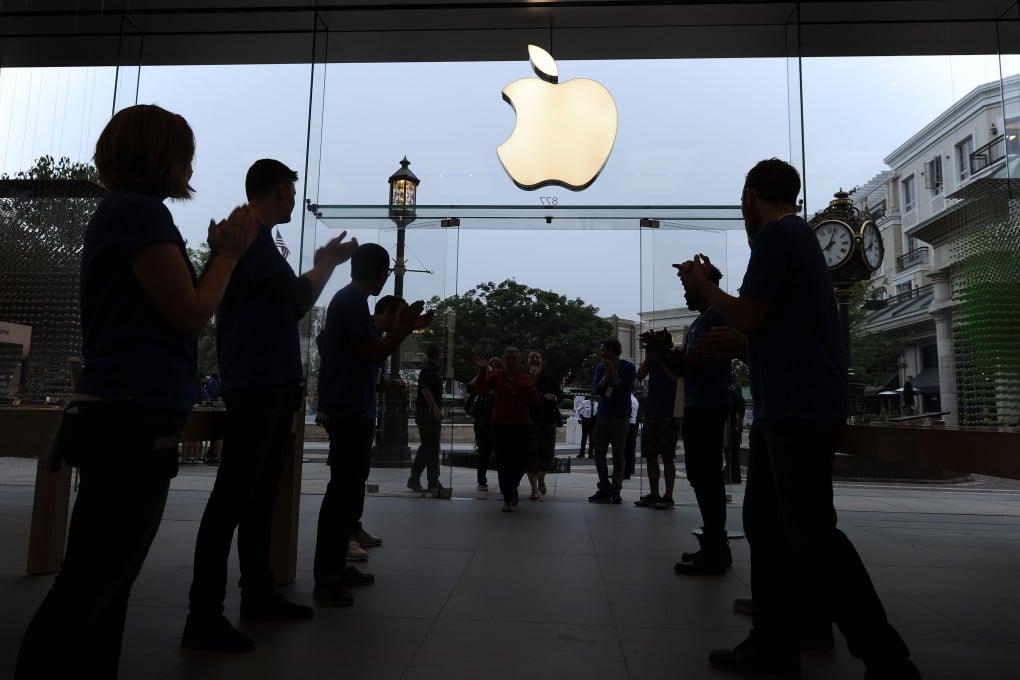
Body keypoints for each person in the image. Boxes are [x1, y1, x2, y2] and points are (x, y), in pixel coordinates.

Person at [16, 104, 258, 679]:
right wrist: (227, 256)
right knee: (91, 590)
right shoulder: (141, 215)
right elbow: (190, 312)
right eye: (186, 153)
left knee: (104, 586)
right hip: (132, 420)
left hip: (115, 417)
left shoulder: (120, 213)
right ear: (166, 157)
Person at [678, 158, 921, 679]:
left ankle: (886, 658)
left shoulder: (778, 237)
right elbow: (781, 330)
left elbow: (748, 312)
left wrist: (703, 285)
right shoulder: (799, 239)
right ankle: (778, 636)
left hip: (795, 408)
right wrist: (744, 345)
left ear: (750, 196)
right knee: (767, 525)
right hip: (791, 405)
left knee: (811, 532)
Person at [183, 159, 358, 653]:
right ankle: (205, 613)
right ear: (281, 189)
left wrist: (320, 265)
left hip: (268, 383)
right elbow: (299, 299)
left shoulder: (255, 239)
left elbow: (289, 296)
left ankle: (254, 594)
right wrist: (327, 262)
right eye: (292, 192)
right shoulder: (252, 235)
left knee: (256, 497)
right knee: (236, 498)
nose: (294, 200)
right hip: (259, 384)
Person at [312, 243, 433, 606]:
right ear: (382, 271)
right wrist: (405, 329)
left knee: (346, 494)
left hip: (353, 409)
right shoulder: (350, 302)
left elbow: (361, 357)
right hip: (349, 412)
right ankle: (328, 576)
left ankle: (336, 568)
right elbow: (373, 353)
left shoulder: (351, 302)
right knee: (341, 495)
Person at [648, 262, 733, 575]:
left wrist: (668, 349)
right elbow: (687, 368)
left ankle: (715, 549)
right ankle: (714, 545)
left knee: (706, 476)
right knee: (701, 475)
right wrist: (665, 352)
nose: (684, 292)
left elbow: (704, 365)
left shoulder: (716, 318)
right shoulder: (703, 321)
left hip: (709, 405)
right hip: (700, 404)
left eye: (687, 285)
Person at [345, 294, 407, 561]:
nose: (401, 322)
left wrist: (388, 385)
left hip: (363, 410)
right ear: (388, 311)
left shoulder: (375, 334)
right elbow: (371, 357)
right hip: (350, 410)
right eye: (401, 317)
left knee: (357, 476)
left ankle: (353, 528)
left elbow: (372, 374)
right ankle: (344, 537)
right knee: (347, 479)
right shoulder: (367, 334)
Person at [471, 347, 540, 512]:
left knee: (521, 461)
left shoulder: (525, 378)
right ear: (504, 361)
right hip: (500, 424)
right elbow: (481, 390)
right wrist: (482, 370)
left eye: (514, 359)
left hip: (521, 425)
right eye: (508, 358)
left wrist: (532, 385)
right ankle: (508, 498)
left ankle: (512, 488)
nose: (511, 361)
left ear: (519, 361)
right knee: (502, 462)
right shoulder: (496, 377)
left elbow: (536, 402)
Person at [632, 329, 681, 510]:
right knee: (650, 455)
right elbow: (639, 376)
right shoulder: (652, 359)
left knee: (667, 456)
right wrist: (649, 357)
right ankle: (654, 493)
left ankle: (668, 496)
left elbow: (676, 379)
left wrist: (661, 360)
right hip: (652, 412)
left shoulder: (674, 357)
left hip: (669, 413)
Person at [588, 338, 637, 504]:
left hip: (620, 416)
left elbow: (624, 390)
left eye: (603, 349)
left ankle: (616, 489)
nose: (601, 353)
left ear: (611, 350)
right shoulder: (601, 367)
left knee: (618, 454)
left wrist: (614, 373)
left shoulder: (628, 367)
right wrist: (606, 375)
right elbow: (596, 389)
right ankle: (604, 487)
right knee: (599, 453)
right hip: (602, 414)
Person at [525, 350, 564, 500]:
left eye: (537, 358)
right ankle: (534, 489)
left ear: (541, 361)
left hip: (548, 421)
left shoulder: (549, 378)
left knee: (546, 456)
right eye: (532, 358)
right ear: (527, 362)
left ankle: (541, 480)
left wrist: (554, 398)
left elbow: (560, 396)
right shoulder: (524, 377)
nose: (535, 359)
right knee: (531, 457)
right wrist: (541, 396)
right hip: (530, 422)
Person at [408, 343, 446, 492]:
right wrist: (436, 410)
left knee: (430, 447)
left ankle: (430, 481)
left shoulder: (432, 370)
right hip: (427, 414)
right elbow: (426, 391)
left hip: (427, 414)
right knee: (429, 447)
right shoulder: (429, 370)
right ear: (438, 354)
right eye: (441, 352)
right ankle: (420, 479)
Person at [468, 356, 502, 492]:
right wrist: (482, 371)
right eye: (492, 366)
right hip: (483, 423)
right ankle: (482, 481)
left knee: (501, 455)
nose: (494, 369)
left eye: (497, 366)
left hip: (499, 424)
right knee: (483, 454)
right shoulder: (484, 382)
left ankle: (503, 483)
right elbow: (470, 388)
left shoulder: (502, 382)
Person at [574, 393, 596, 458]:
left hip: (593, 421)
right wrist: (579, 419)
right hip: (586, 421)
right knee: (584, 437)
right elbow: (577, 410)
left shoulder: (597, 404)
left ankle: (590, 453)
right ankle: (582, 453)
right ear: (590, 397)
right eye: (593, 396)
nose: (594, 398)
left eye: (595, 397)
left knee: (592, 438)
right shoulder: (584, 402)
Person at [623, 392, 639, 478]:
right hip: (632, 425)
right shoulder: (634, 400)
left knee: (626, 449)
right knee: (629, 449)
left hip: (628, 424)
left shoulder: (630, 400)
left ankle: (626, 471)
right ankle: (628, 470)